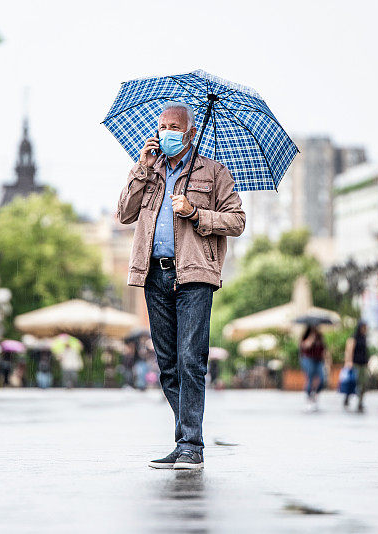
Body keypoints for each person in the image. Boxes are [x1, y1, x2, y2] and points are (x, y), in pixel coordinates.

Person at [117, 102, 245, 470]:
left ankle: (191, 443)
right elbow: (124, 213)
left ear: (190, 133)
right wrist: (142, 168)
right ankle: (186, 438)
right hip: (153, 274)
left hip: (194, 274)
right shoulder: (148, 169)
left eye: (175, 127)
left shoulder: (214, 172)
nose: (167, 132)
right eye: (163, 126)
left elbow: (237, 221)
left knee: (191, 359)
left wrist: (195, 213)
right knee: (168, 363)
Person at [300, 326, 328, 411]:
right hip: (308, 359)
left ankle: (315, 395)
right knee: (310, 378)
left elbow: (324, 350)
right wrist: (311, 337)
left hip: (319, 360)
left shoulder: (320, 336)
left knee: (322, 379)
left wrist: (327, 362)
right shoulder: (306, 336)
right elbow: (305, 346)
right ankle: (309, 397)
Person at [344, 321, 370, 412]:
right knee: (355, 382)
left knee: (363, 383)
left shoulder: (364, 337)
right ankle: (347, 397)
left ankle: (360, 402)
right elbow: (349, 350)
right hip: (355, 363)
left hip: (363, 363)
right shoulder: (354, 337)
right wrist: (349, 362)